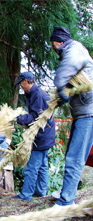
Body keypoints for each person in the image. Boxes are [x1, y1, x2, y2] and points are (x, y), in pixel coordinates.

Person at [50, 26, 93, 208]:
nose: (53, 48)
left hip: (88, 113)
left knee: (75, 157)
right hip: (83, 112)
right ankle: (66, 192)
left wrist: (61, 90)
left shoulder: (73, 50)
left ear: (59, 42)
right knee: (72, 154)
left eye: (53, 44)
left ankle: (66, 201)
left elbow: (62, 76)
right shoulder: (74, 50)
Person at [11, 72, 56, 201]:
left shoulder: (37, 94)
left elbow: (35, 117)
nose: (20, 86)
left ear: (26, 81)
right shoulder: (33, 93)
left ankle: (26, 195)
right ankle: (41, 192)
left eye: (21, 83)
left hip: (43, 136)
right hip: (46, 135)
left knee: (31, 168)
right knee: (42, 166)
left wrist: (19, 118)